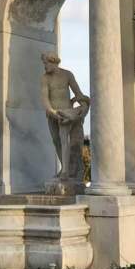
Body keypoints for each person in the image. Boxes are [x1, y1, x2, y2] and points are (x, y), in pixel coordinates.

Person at [40, 51, 90, 183]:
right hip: (52, 114)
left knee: (64, 140)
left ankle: (66, 171)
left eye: (46, 63)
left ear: (53, 61)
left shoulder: (67, 75)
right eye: (44, 63)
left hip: (65, 114)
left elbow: (78, 94)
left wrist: (83, 105)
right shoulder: (45, 78)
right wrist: (51, 112)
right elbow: (45, 99)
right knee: (56, 141)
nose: (44, 66)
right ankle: (65, 167)